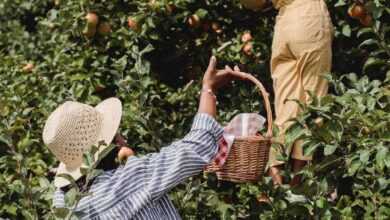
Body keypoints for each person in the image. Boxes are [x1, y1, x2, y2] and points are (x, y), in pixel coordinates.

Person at [44, 56, 248, 219]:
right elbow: (197, 146)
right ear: (109, 143)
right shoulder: (134, 178)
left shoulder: (64, 204)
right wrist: (208, 89)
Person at [241, 0, 334, 185]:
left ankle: (276, 178)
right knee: (313, 100)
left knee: (286, 106)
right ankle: (298, 183)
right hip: (310, 17)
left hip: (284, 23)